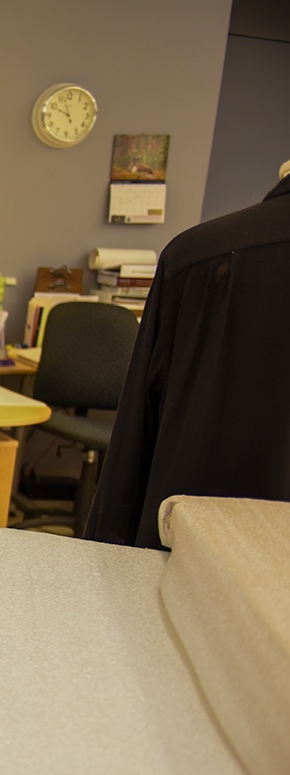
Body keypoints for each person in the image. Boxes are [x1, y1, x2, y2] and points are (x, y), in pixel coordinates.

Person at [84, 159, 290, 549]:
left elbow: (136, 437)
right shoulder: (197, 257)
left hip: (193, 551)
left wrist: (105, 556)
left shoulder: (197, 256)